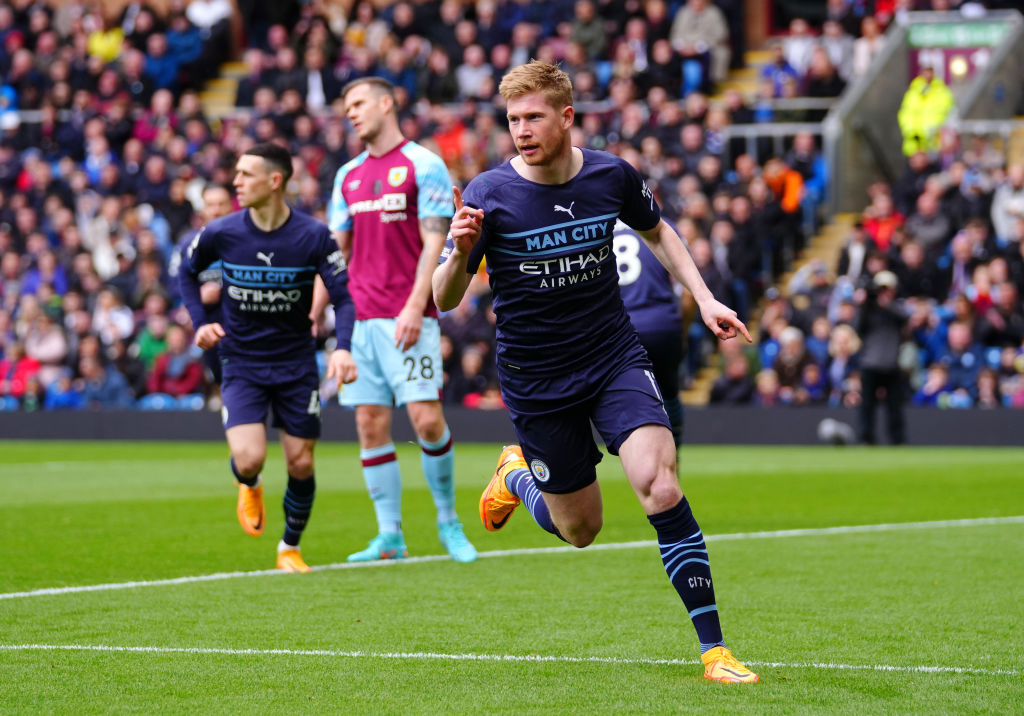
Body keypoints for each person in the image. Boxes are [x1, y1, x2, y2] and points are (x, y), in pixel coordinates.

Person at [432, 61, 758, 684]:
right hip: (536, 378)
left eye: (532, 117)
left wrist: (706, 296)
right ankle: (515, 475)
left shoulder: (611, 174)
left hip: (612, 356)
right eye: (512, 120)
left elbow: (658, 232)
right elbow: (446, 298)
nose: (521, 131)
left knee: (661, 485)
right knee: (580, 530)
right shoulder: (486, 194)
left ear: (566, 116)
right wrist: (462, 246)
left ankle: (715, 650)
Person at [179, 142, 358, 573]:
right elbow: (185, 271)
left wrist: (345, 349)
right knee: (249, 458)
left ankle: (289, 547)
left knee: (300, 460)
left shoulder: (313, 236)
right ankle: (250, 483)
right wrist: (199, 321)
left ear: (274, 181)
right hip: (241, 362)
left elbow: (344, 298)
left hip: (296, 364)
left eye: (245, 174)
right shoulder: (223, 232)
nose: (236, 182)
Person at [322, 77, 477, 564]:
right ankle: (390, 535)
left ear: (387, 103)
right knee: (370, 424)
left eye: (359, 103)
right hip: (360, 320)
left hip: (409, 314)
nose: (351, 112)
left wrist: (415, 306)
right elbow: (334, 252)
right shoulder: (346, 175)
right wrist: (316, 315)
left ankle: (449, 521)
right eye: (346, 107)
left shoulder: (423, 163)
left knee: (426, 420)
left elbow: (435, 240)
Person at [613, 220, 685, 447]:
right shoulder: (661, 225)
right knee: (669, 395)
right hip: (662, 323)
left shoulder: (596, 226)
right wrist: (681, 328)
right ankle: (673, 461)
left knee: (630, 400)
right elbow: (688, 291)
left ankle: (643, 460)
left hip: (620, 330)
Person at [854, 270, 908, 445]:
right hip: (870, 364)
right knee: (867, 406)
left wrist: (886, 305)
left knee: (894, 407)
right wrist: (864, 305)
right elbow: (858, 327)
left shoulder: (897, 307)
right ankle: (866, 439)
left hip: (891, 365)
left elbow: (905, 318)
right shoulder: (868, 310)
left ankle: (897, 440)